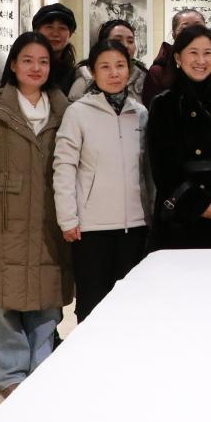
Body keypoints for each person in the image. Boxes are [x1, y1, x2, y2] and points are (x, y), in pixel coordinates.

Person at [0, 32, 72, 397]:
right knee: (5, 301)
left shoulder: (64, 110)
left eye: (43, 61)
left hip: (49, 217)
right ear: (14, 65)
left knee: (46, 297)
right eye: (27, 60)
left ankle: (42, 366)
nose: (35, 68)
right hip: (2, 220)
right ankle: (10, 373)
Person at [53, 38, 149, 322]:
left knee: (130, 305)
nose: (114, 73)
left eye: (120, 65)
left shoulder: (140, 113)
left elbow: (147, 170)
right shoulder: (78, 112)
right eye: (105, 67)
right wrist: (67, 218)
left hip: (135, 224)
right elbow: (64, 166)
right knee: (92, 305)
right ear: (93, 72)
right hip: (91, 227)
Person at [146, 24, 211, 249]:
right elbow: (162, 166)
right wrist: (197, 204)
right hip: (182, 216)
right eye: (193, 52)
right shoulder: (164, 104)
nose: (201, 60)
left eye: (207, 53)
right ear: (178, 58)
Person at [144, 8, 211, 102]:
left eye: (198, 27)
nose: (193, 34)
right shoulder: (158, 72)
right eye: (185, 29)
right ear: (174, 35)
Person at [68, 19, 151, 105]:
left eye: (130, 41)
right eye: (118, 40)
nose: (126, 45)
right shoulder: (84, 82)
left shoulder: (143, 79)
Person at [32, 3, 80, 92]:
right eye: (49, 27)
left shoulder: (76, 76)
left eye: (62, 28)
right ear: (36, 31)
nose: (55, 33)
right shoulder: (25, 68)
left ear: (70, 34)